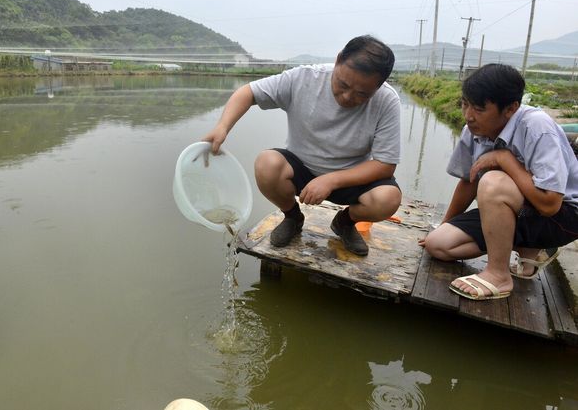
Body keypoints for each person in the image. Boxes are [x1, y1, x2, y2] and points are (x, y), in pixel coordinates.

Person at [203, 35, 402, 255]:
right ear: (337, 61)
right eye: (342, 84)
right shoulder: (304, 78)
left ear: (379, 85)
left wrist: (330, 180)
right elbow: (248, 93)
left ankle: (345, 222)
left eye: (362, 94)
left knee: (388, 199)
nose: (346, 97)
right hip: (302, 169)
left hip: (349, 179)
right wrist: (223, 127)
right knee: (266, 164)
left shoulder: (387, 101)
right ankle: (292, 217)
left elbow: (385, 165)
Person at [422, 63, 578, 300]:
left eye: (479, 109)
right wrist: (445, 223)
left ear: (510, 108)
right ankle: (528, 249)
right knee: (439, 245)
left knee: (493, 182)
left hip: (563, 217)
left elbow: (550, 205)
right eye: (464, 104)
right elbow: (469, 181)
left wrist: (504, 159)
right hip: (520, 210)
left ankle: (498, 275)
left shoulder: (536, 126)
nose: (468, 116)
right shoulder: (474, 130)